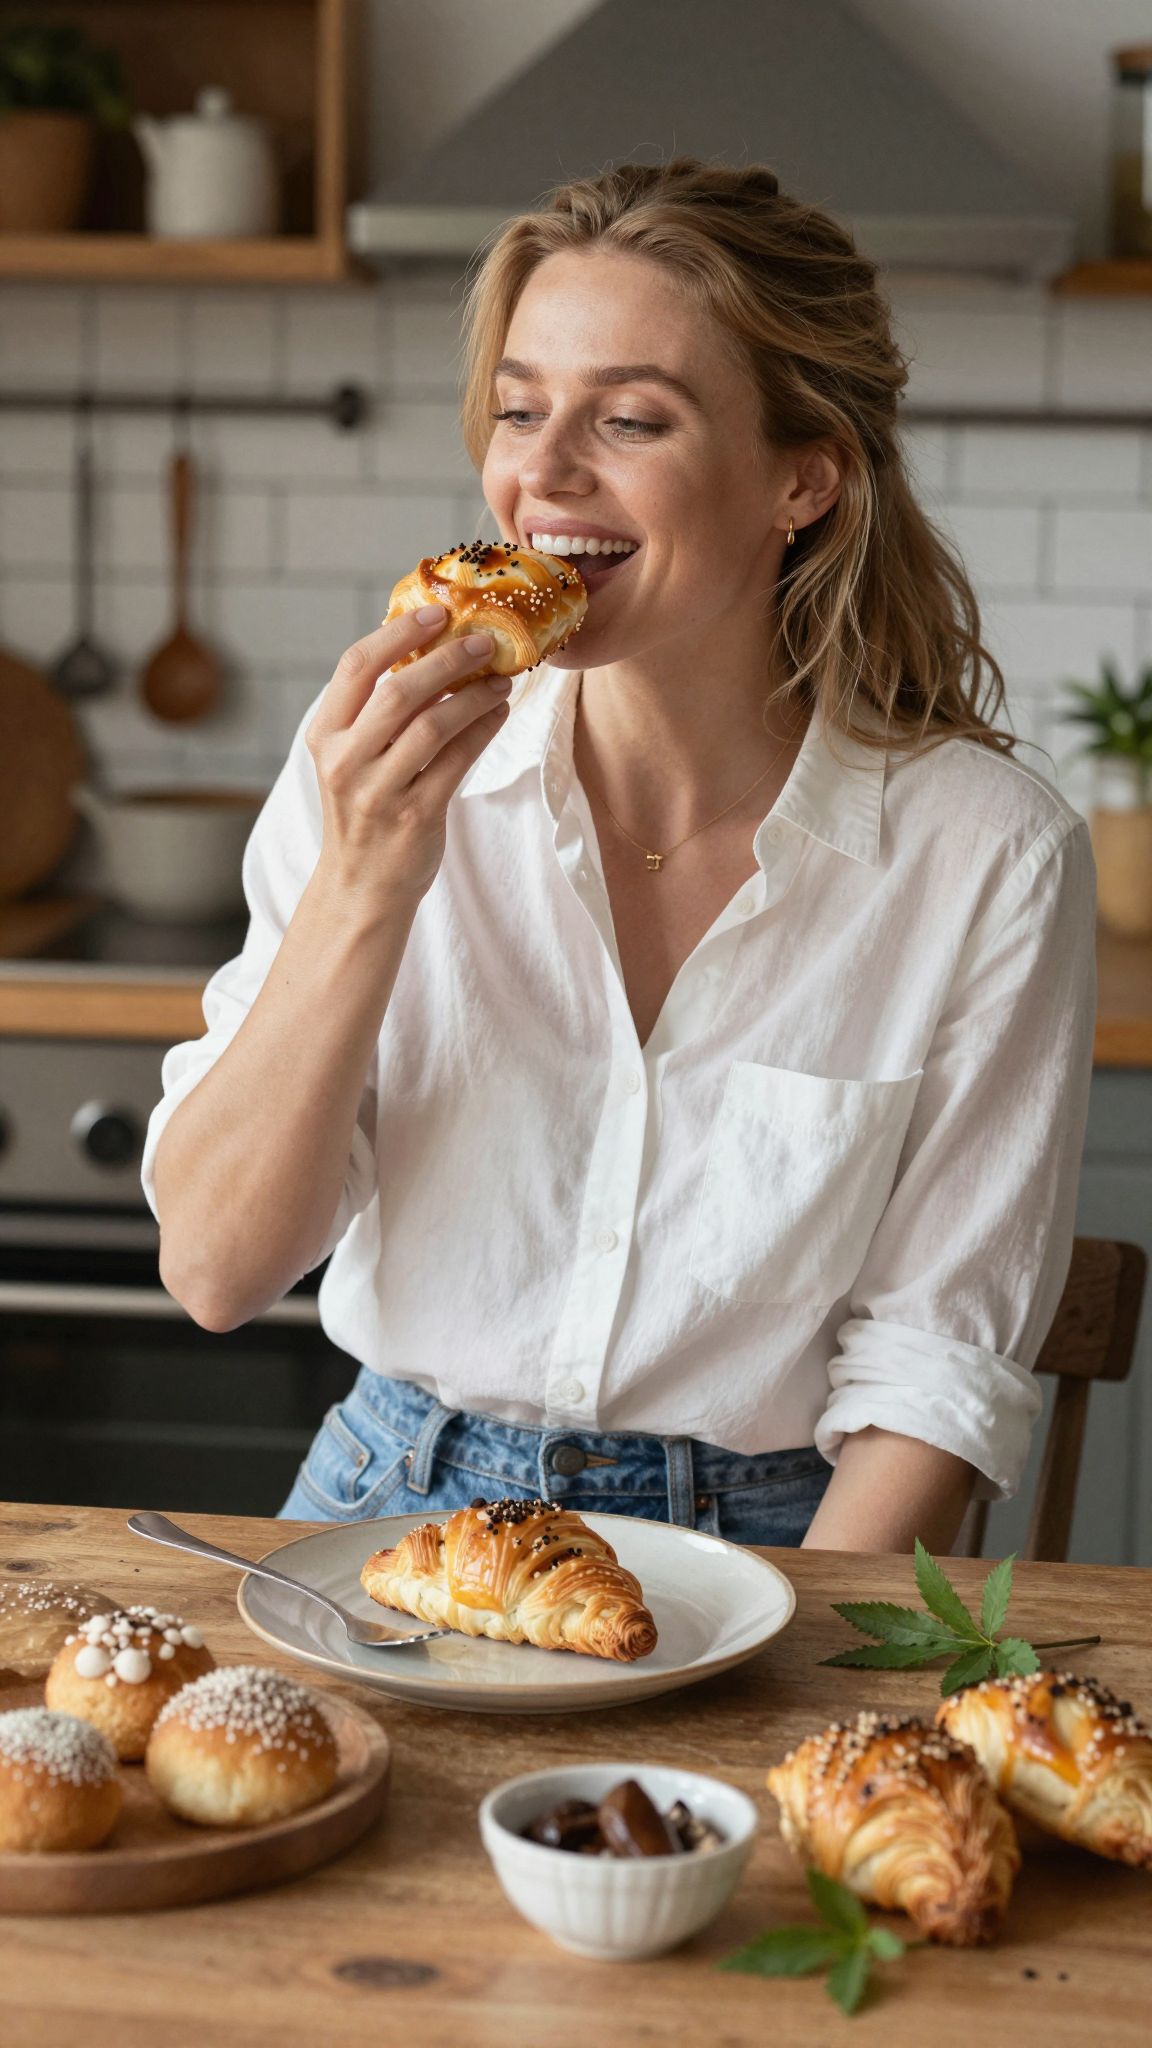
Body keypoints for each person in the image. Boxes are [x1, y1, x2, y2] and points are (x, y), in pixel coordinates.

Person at [142, 158, 1097, 1553]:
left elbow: (935, 1377)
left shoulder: (988, 856)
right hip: (393, 1509)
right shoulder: (369, 773)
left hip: (771, 1548)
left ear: (804, 477)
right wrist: (367, 884)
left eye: (631, 418)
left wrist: (794, 1657)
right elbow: (218, 1270)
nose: (541, 475)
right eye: (519, 409)